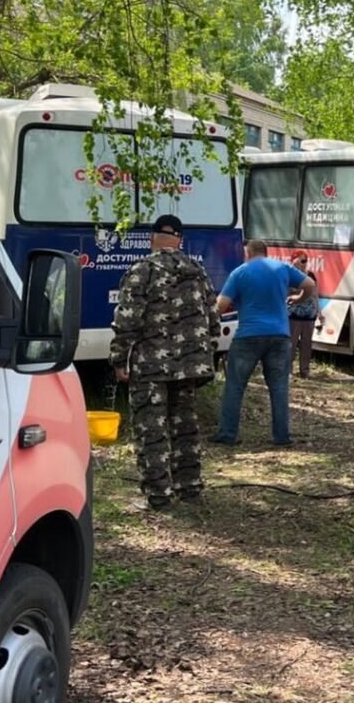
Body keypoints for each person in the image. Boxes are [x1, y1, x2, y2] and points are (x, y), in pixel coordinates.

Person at [110, 214, 219, 511]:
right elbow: (213, 318)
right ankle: (190, 488)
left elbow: (127, 320)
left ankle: (158, 495)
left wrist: (119, 359)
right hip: (190, 366)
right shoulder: (197, 270)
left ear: (152, 238)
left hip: (151, 367)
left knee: (152, 431)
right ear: (180, 240)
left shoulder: (142, 270)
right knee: (185, 427)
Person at [213, 239, 314, 446]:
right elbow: (310, 284)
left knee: (235, 385)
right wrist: (299, 299)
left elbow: (220, 306)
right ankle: (282, 437)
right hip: (280, 335)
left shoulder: (239, 273)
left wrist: (206, 323)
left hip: (248, 335)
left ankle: (227, 434)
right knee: (278, 387)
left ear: (248, 253)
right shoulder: (282, 268)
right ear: (265, 253)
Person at [286, 249, 323, 378]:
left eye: (306, 261)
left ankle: (304, 370)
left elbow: (315, 295)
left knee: (307, 344)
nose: (304, 263)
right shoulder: (289, 275)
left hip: (309, 315)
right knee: (291, 343)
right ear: (294, 260)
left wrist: (319, 312)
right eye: (302, 260)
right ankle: (288, 370)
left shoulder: (311, 276)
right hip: (293, 314)